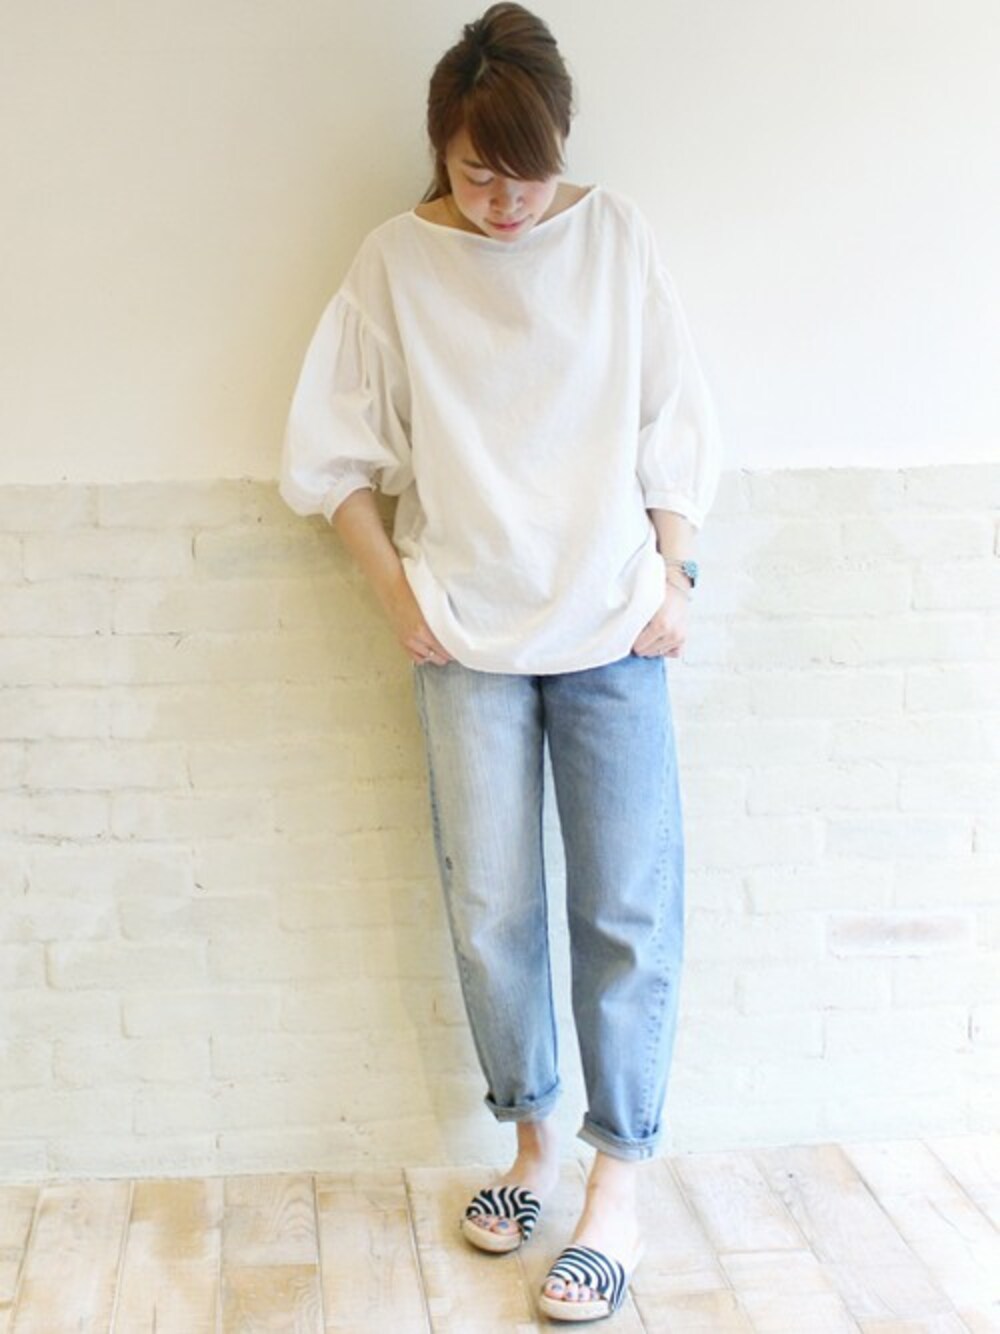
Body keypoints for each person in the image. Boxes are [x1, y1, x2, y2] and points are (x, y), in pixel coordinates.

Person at [279, 3, 721, 1320]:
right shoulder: (394, 264)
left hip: (613, 627)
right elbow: (329, 454)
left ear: (559, 148)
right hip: (466, 633)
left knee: (626, 909)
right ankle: (532, 1147)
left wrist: (678, 572)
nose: (506, 202)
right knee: (492, 908)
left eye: (527, 174)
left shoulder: (614, 236)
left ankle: (616, 1184)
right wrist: (395, 593)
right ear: (443, 149)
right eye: (478, 174)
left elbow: (674, 416)